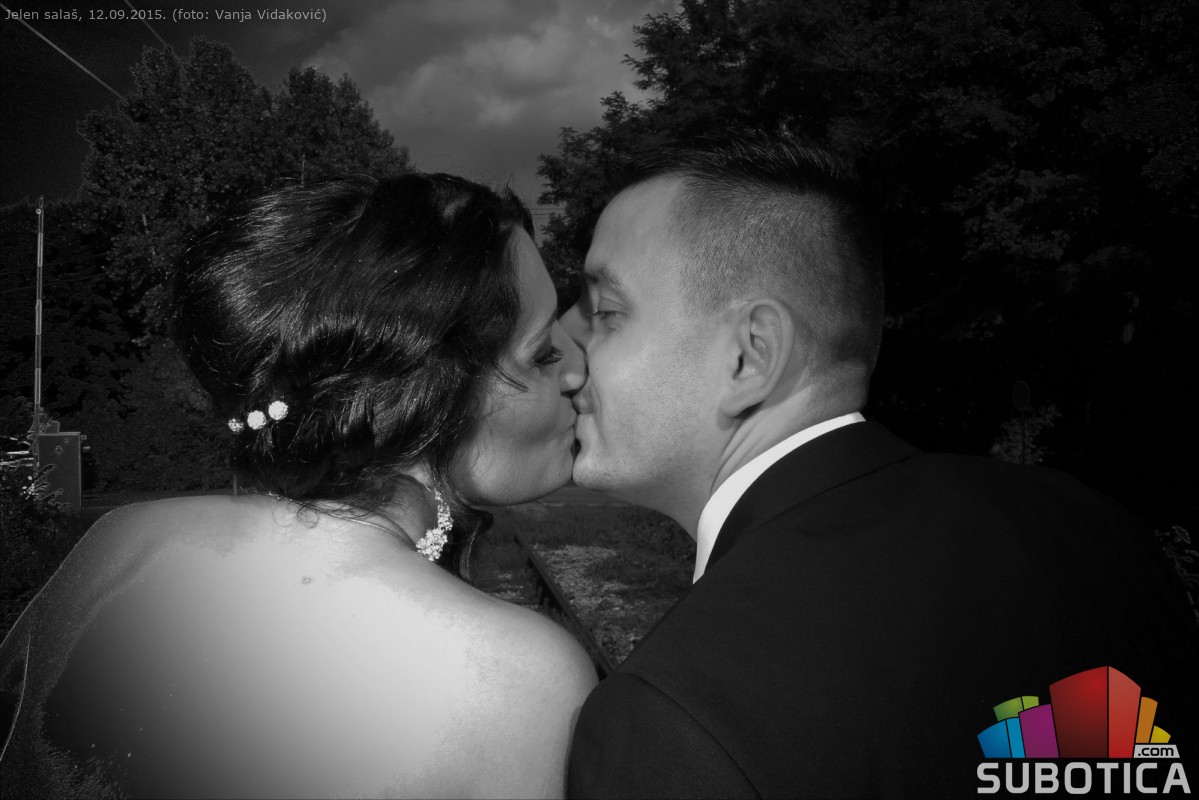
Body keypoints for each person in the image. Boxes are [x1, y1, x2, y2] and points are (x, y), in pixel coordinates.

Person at [564, 137, 1199, 797]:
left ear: (749, 356)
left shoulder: (675, 717)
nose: (573, 352)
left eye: (606, 314)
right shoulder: (1092, 526)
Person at [0, 172, 597, 798]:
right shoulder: (518, 676)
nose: (579, 367)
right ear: (421, 398)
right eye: (542, 353)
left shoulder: (120, 540)